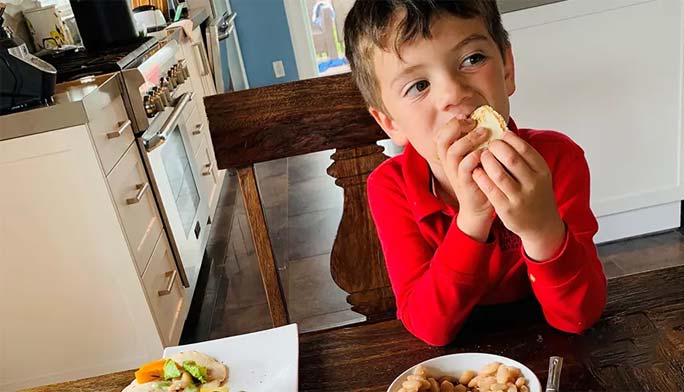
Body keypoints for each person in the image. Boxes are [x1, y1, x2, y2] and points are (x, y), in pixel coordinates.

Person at [343, 0, 607, 346]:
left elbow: (581, 316)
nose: (453, 93)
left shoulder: (557, 162)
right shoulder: (391, 187)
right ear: (390, 122)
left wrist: (542, 228)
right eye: (418, 85)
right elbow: (428, 329)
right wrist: (473, 218)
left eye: (472, 59)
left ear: (507, 69)